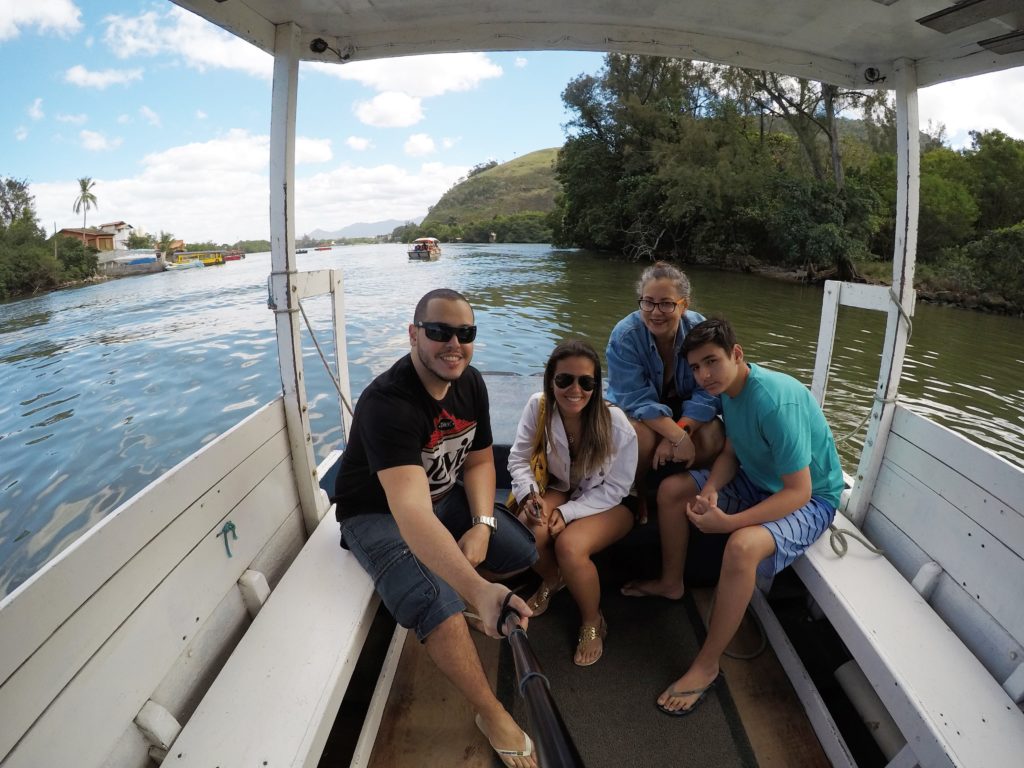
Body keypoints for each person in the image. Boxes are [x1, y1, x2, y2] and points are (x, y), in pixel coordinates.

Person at [333, 288, 537, 768]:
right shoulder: (389, 403)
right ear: (413, 334)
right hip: (376, 515)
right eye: (439, 332)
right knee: (437, 601)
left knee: (520, 551)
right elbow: (410, 513)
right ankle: (492, 713)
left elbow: (483, 461)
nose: (453, 344)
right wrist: (478, 590)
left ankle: (465, 580)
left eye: (465, 334)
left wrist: (484, 525)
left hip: (440, 499)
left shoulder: (471, 383)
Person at [628, 317, 843, 716]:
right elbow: (731, 452)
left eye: (712, 362)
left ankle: (707, 666)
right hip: (757, 479)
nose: (704, 375)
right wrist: (710, 490)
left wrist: (727, 524)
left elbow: (800, 491)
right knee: (676, 491)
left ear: (737, 354)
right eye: (695, 367)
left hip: (812, 498)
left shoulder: (775, 401)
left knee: (742, 547)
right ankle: (671, 582)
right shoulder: (728, 390)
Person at [508, 340, 638, 666]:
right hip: (562, 487)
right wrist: (529, 495)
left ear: (596, 385)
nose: (574, 389)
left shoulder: (616, 424)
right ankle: (554, 578)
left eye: (586, 382)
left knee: (569, 546)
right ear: (550, 380)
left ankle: (592, 620)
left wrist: (568, 512)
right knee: (530, 529)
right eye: (564, 380)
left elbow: (618, 488)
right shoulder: (539, 407)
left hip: (614, 502)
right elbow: (519, 460)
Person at [605, 261, 725, 538]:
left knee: (714, 435)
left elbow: (708, 390)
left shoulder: (698, 330)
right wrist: (677, 437)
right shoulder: (625, 336)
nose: (656, 313)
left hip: (681, 410)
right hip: (635, 411)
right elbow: (634, 397)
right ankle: (637, 493)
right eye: (648, 303)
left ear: (684, 305)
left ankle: (676, 491)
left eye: (666, 304)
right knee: (638, 436)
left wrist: (681, 428)